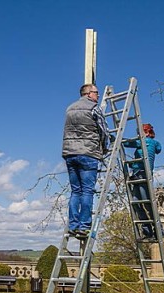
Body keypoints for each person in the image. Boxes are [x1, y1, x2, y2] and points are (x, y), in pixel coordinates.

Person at [62, 83, 110, 239]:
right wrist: (105, 148)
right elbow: (103, 130)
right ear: (89, 93)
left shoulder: (69, 108)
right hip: (88, 153)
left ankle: (73, 226)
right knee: (88, 191)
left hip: (70, 153)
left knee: (76, 191)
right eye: (96, 93)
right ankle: (84, 227)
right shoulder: (94, 108)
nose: (97, 96)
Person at [123, 123, 162, 238]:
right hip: (136, 175)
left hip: (143, 174)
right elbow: (159, 149)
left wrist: (116, 139)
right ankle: (148, 231)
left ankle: (158, 231)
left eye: (141, 132)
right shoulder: (149, 142)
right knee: (136, 203)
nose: (138, 134)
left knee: (146, 202)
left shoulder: (147, 141)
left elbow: (130, 143)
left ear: (147, 132)